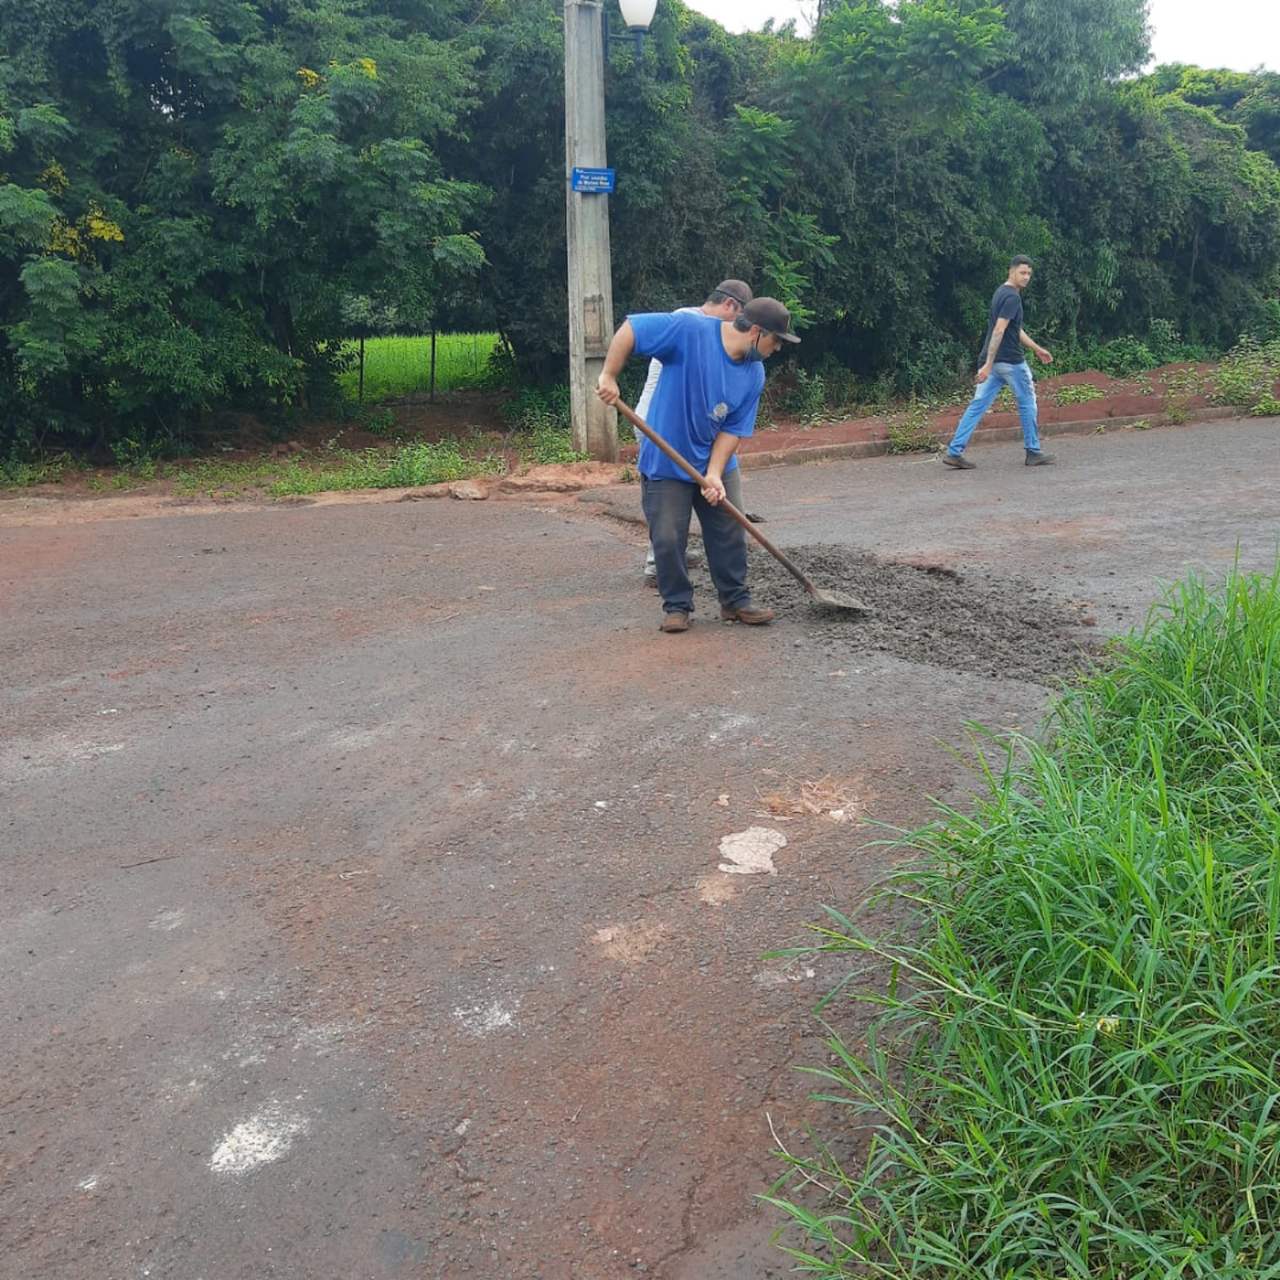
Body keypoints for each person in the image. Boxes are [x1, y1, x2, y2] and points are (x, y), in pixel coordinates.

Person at [596, 298, 799, 633]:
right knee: (666, 537)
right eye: (776, 341)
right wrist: (609, 375)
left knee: (729, 530)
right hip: (665, 461)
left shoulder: (754, 373)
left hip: (715, 460)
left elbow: (733, 429)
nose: (777, 349)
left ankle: (735, 601)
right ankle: (677, 606)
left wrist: (714, 473)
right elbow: (632, 328)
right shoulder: (690, 330)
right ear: (757, 332)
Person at [633, 280, 753, 582]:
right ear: (729, 305)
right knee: (668, 496)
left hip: (680, 424)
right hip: (662, 425)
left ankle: (671, 552)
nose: (737, 327)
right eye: (738, 318)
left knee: (698, 491)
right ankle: (658, 563)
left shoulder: (705, 327)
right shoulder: (690, 322)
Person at [943, 255, 1055, 469]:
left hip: (993, 362)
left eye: (1029, 274)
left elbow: (1014, 329)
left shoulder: (1001, 292)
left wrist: (1037, 349)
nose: (1026, 277)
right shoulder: (1012, 297)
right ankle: (1033, 451)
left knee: (977, 405)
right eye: (1022, 273)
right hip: (1010, 362)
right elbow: (999, 330)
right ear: (1011, 271)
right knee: (1027, 402)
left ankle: (954, 452)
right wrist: (988, 364)